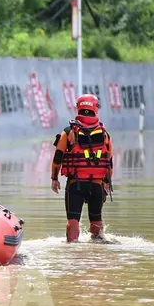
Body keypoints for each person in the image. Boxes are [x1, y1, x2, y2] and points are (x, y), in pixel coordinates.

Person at [50, 93, 114, 242]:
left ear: (78, 108)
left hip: (75, 185)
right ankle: (98, 244)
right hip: (97, 185)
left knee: (73, 221)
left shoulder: (68, 133)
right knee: (96, 221)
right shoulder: (104, 134)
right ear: (95, 108)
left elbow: (58, 158)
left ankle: (72, 246)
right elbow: (109, 162)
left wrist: (54, 178)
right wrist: (106, 183)